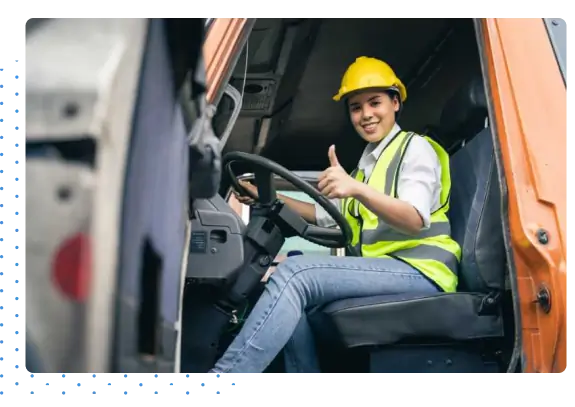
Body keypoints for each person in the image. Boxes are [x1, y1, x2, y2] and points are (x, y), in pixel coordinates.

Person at [208, 56, 461, 375]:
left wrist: (355, 188)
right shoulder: (366, 166)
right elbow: (323, 215)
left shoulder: (415, 148)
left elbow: (414, 218)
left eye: (375, 102)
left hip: (423, 272)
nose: (366, 114)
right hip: (392, 269)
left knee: (296, 274)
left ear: (395, 102)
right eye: (356, 107)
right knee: (288, 297)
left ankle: (221, 381)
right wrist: (268, 195)